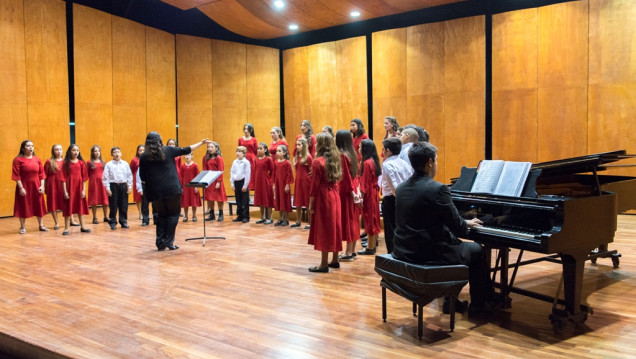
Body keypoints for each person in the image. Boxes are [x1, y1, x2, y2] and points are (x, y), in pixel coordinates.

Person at [392, 141, 498, 313]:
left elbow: (424, 219)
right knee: (477, 250)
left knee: (462, 246)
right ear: (430, 162)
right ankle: (479, 305)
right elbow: (459, 229)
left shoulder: (402, 188)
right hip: (429, 253)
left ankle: (451, 301)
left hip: (405, 249)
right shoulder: (438, 189)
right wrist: (466, 223)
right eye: (436, 160)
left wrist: (462, 222)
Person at [139, 132, 211, 251]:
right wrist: (202, 143)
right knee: (173, 215)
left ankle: (160, 242)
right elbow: (187, 149)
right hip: (172, 189)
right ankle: (168, 241)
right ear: (160, 140)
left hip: (156, 191)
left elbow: (142, 176)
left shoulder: (144, 156)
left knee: (161, 216)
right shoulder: (168, 150)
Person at [363, 137, 412, 255]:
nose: (382, 152)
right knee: (401, 228)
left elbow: (393, 185)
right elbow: (410, 180)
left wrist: (398, 199)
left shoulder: (387, 164)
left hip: (392, 200)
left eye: (383, 149)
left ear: (388, 150)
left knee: (390, 230)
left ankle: (392, 254)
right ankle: (402, 252)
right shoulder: (405, 163)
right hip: (404, 198)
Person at [307, 132, 343, 272]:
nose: (314, 144)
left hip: (323, 196)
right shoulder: (335, 159)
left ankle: (323, 264)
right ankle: (335, 259)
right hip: (334, 195)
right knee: (334, 226)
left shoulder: (317, 161)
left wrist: (311, 203)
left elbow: (314, 185)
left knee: (324, 228)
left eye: (316, 142)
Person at [335, 130, 361, 261]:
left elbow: (345, 178)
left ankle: (348, 253)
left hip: (346, 192)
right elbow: (355, 175)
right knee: (354, 219)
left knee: (349, 220)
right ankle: (352, 250)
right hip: (355, 188)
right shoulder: (352, 153)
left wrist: (352, 192)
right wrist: (357, 191)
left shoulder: (342, 155)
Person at [12, 140, 48, 234]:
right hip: (24, 186)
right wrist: (21, 188)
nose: (31, 147)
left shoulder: (37, 159)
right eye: (28, 146)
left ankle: (41, 225)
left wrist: (42, 186)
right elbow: (16, 176)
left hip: (36, 186)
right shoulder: (18, 160)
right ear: (23, 148)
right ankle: (22, 227)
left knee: (39, 204)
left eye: (32, 146)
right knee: (23, 205)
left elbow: (42, 174)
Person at [358, 139, 382, 255]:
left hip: (369, 194)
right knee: (374, 218)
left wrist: (361, 197)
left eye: (360, 147)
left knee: (369, 219)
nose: (358, 149)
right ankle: (372, 243)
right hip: (374, 193)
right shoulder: (373, 161)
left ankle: (370, 247)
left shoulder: (367, 163)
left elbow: (364, 183)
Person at [61, 144, 91, 235]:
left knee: (80, 207)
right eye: (74, 150)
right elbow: (63, 178)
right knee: (67, 207)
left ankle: (83, 226)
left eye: (77, 150)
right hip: (69, 187)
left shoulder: (81, 163)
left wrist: (83, 190)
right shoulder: (65, 163)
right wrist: (65, 191)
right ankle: (66, 228)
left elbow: (84, 178)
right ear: (69, 151)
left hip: (79, 187)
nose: (76, 152)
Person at [102, 147, 133, 230]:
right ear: (112, 154)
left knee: (124, 205)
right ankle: (112, 222)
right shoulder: (109, 164)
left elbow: (129, 176)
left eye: (118, 152)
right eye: (114, 152)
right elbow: (105, 177)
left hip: (123, 185)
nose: (117, 154)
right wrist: (108, 188)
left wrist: (129, 186)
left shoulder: (125, 164)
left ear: (121, 153)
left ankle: (123, 221)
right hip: (113, 186)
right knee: (113, 205)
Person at [202, 142, 227, 222]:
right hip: (209, 180)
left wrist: (219, 181)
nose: (209, 148)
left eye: (211, 147)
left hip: (217, 180)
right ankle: (211, 214)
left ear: (216, 148)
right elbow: (204, 169)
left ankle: (220, 213)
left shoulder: (219, 158)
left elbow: (220, 170)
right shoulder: (205, 157)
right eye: (208, 147)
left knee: (219, 198)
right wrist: (205, 180)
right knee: (210, 198)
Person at [292, 137, 312, 229]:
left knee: (308, 202)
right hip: (298, 181)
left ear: (304, 146)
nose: (297, 146)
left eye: (299, 145)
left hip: (306, 182)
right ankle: (298, 220)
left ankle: (310, 222)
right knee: (298, 201)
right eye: (297, 145)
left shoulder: (308, 157)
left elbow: (311, 171)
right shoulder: (296, 156)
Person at [44, 144, 65, 230]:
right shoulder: (49, 161)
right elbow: (44, 175)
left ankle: (70, 220)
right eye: (56, 149)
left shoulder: (66, 161)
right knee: (53, 203)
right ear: (53, 151)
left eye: (60, 149)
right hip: (52, 184)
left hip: (63, 184)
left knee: (66, 202)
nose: (59, 151)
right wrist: (45, 187)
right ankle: (56, 222)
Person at [87, 145, 109, 224]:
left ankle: (106, 216)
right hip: (94, 183)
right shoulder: (89, 162)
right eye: (95, 151)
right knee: (94, 200)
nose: (97, 153)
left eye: (98, 151)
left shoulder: (103, 162)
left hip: (102, 183)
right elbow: (88, 173)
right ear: (92, 152)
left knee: (104, 199)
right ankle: (94, 217)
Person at [272, 145, 293, 226]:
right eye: (277, 151)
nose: (277, 152)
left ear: (284, 152)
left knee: (284, 201)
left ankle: (286, 218)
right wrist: (273, 184)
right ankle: (280, 218)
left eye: (279, 151)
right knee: (279, 200)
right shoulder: (276, 162)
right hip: (278, 184)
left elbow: (289, 175)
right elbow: (274, 174)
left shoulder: (287, 163)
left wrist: (287, 185)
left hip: (284, 185)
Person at [253, 143, 274, 224]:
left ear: (265, 150)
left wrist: (271, 182)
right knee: (260, 199)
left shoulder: (268, 159)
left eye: (261, 149)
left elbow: (272, 171)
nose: (259, 150)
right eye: (258, 149)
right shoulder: (256, 159)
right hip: (259, 182)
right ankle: (262, 216)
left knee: (267, 199)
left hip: (266, 181)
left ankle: (269, 217)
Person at [230, 146, 251, 223]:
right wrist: (232, 183)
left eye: (239, 151)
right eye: (237, 151)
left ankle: (246, 216)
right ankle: (240, 215)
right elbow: (232, 172)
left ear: (244, 153)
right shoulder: (234, 162)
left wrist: (245, 185)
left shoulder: (246, 162)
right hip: (236, 182)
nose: (237, 153)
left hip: (243, 182)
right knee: (238, 200)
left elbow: (247, 174)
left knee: (245, 200)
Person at [180, 153, 201, 222]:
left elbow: (198, 176)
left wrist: (196, 186)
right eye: (185, 155)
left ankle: (194, 216)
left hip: (193, 186)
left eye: (189, 155)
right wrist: (181, 187)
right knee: (185, 201)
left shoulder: (195, 165)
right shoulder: (182, 166)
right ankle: (185, 216)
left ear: (192, 156)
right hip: (185, 186)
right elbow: (180, 177)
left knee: (193, 201)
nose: (187, 156)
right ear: (184, 157)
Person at [238, 123, 258, 191]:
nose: (246, 130)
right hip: (243, 158)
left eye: (247, 129)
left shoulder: (254, 140)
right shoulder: (240, 139)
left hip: (251, 159)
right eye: (245, 129)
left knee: (250, 174)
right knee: (242, 173)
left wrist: (255, 159)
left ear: (251, 130)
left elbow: (256, 151)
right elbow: (239, 150)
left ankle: (250, 189)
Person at [130, 145, 144, 219]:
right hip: (136, 179)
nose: (142, 152)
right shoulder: (134, 160)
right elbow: (130, 171)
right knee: (138, 197)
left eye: (143, 150)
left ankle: (145, 212)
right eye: (140, 150)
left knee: (145, 196)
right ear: (137, 151)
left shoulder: (147, 159)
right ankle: (140, 213)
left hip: (145, 178)